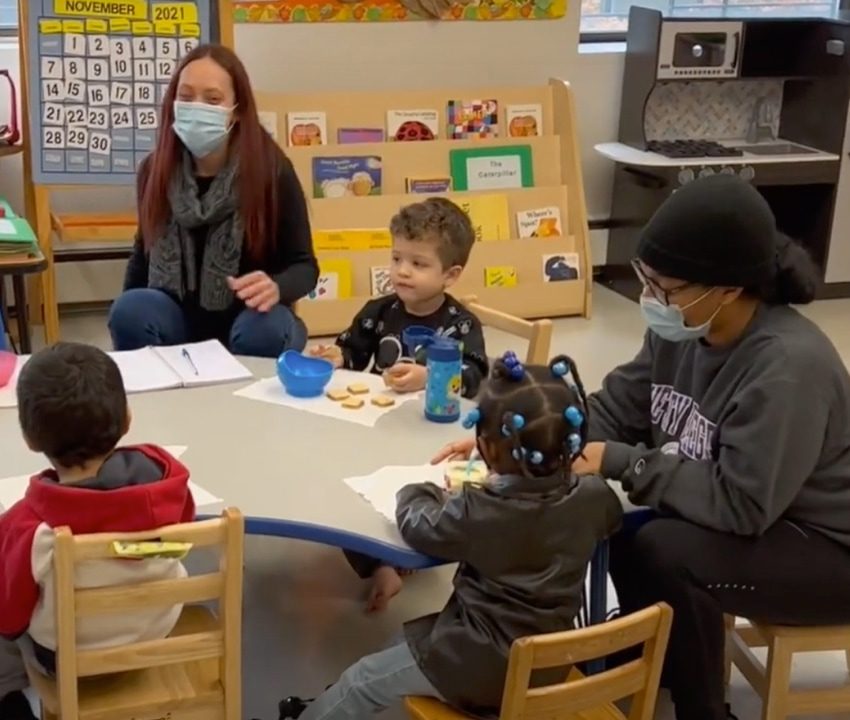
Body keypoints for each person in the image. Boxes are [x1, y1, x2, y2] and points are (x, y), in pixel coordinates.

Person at [440, 175, 850, 720]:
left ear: (727, 288)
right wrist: (519, 435)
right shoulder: (682, 328)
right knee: (628, 531)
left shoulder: (787, 368)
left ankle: (702, 710)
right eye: (645, 279)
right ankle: (646, 666)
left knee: (664, 550)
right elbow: (616, 409)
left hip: (823, 546)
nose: (650, 299)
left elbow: (743, 505)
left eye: (666, 287)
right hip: (767, 518)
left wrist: (619, 460)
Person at [280, 352, 622, 720]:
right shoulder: (593, 496)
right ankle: (321, 708)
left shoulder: (481, 509)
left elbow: (418, 525)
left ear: (485, 446)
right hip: (549, 656)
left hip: (484, 664)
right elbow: (607, 518)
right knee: (400, 643)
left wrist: (422, 489)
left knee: (363, 680)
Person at [310, 197, 490, 612]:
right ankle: (378, 565)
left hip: (432, 437)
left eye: (418, 263)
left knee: (417, 492)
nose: (402, 271)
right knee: (339, 489)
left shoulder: (460, 325)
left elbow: (477, 375)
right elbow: (353, 351)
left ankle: (412, 542)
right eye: (396, 259)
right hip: (375, 427)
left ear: (451, 274)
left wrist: (432, 377)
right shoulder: (380, 311)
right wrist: (339, 357)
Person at [0, 343, 195, 720]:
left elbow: (10, 617)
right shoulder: (169, 487)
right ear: (126, 420)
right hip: (156, 634)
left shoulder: (31, 527)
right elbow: (178, 542)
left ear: (30, 438)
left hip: (67, 659)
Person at [108, 44, 318, 358]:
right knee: (130, 309)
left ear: (236, 107)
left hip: (250, 319)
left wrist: (276, 287)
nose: (196, 107)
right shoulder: (156, 170)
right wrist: (127, 320)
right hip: (177, 319)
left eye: (213, 99)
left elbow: (305, 266)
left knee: (265, 329)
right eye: (186, 96)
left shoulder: (271, 170)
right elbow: (143, 254)